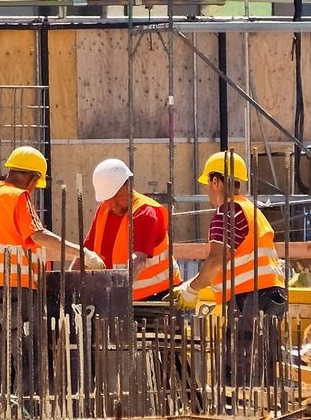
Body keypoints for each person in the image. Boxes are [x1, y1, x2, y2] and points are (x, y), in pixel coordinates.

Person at [0, 146, 103, 394]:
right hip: (15, 291)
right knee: (28, 359)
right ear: (33, 179)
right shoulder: (18, 197)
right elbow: (38, 236)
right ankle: (28, 419)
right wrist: (83, 253)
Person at [173, 150, 287, 387]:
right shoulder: (251, 210)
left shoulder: (228, 211)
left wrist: (191, 289)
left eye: (208, 184)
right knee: (262, 367)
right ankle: (261, 413)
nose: (207, 191)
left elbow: (217, 260)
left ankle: (243, 416)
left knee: (239, 370)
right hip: (270, 295)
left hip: (249, 297)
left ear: (215, 181)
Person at [84, 158, 181, 301]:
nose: (113, 204)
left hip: (158, 298)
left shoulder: (145, 212)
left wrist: (119, 289)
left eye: (117, 196)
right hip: (120, 297)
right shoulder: (104, 209)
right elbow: (86, 252)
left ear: (129, 185)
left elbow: (138, 261)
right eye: (107, 199)